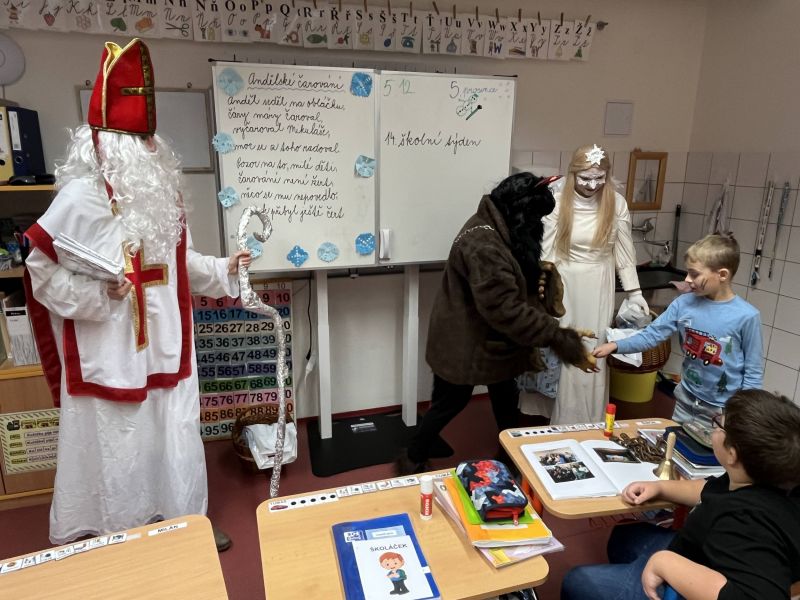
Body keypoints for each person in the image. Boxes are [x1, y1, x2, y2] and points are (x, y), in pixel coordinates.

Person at [23, 38, 250, 551]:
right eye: (143, 140)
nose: (153, 149)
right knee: (117, 446)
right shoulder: (78, 200)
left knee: (173, 435)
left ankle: (184, 521)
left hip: (164, 346)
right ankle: (119, 537)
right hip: (108, 350)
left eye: (152, 139)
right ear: (111, 145)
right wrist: (98, 293)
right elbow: (41, 274)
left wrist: (224, 270)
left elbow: (178, 268)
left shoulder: (161, 197)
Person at [396, 172, 597, 475]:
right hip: (466, 342)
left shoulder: (494, 224)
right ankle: (413, 457)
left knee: (505, 397)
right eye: (534, 218)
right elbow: (505, 309)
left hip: (489, 338)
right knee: (451, 402)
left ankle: (509, 455)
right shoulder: (483, 245)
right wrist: (559, 337)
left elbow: (506, 283)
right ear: (520, 212)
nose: (537, 224)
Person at [561, 389, 800, 600]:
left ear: (732, 454)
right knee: (622, 536)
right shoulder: (757, 476)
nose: (714, 425)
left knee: (578, 580)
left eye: (719, 423)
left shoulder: (746, 521)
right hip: (692, 552)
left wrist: (664, 563)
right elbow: (709, 490)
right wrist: (660, 488)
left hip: (685, 585)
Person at [519, 144, 648, 425]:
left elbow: (625, 253)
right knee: (564, 345)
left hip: (599, 281)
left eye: (599, 178)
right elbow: (546, 251)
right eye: (585, 178)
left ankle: (588, 419)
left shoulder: (616, 203)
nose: (592, 185)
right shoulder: (556, 200)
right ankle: (560, 418)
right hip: (565, 283)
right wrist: (540, 290)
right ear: (573, 173)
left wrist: (634, 292)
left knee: (593, 346)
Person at [593, 233, 762, 430]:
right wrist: (615, 346)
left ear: (722, 275)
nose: (687, 279)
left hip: (723, 412)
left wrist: (744, 414)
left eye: (695, 274)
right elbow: (652, 335)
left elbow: (753, 373)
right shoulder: (683, 304)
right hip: (684, 402)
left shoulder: (747, 316)